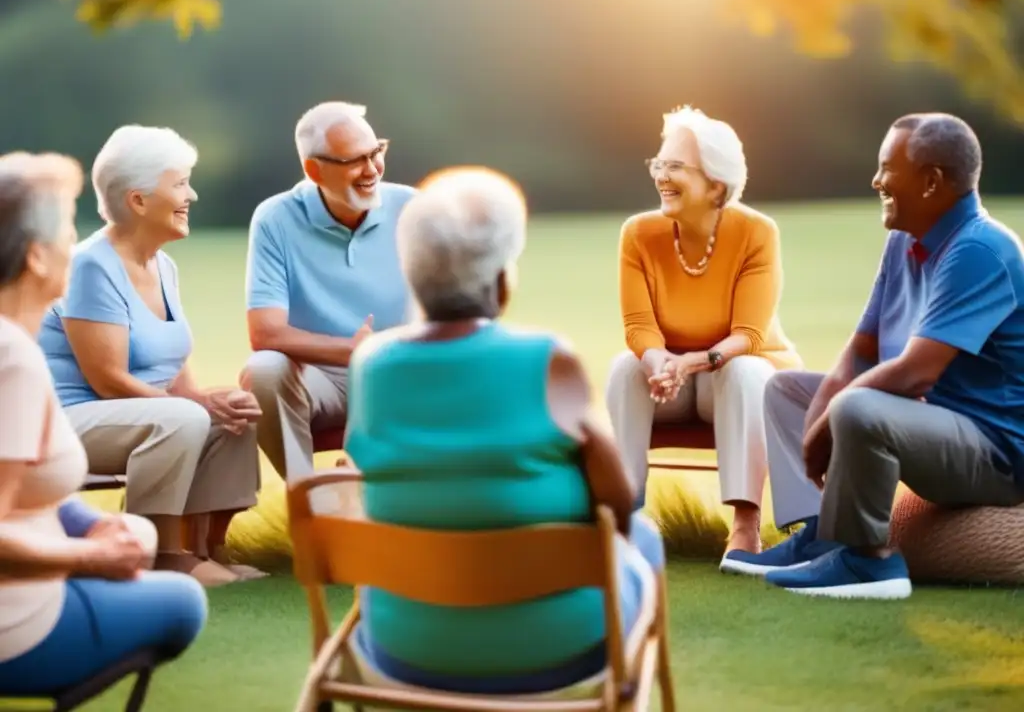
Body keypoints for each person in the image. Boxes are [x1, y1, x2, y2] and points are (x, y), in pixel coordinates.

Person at [342, 167, 665, 693]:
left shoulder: (370, 365)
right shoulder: (545, 358)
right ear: (499, 278)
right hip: (557, 649)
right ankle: (626, 692)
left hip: (405, 650)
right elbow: (618, 498)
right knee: (643, 538)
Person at [722, 113, 1024, 599]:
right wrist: (819, 414)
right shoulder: (903, 240)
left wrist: (826, 427)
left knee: (857, 406)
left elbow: (914, 374)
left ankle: (869, 562)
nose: (876, 180)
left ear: (930, 182)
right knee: (786, 390)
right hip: (937, 421)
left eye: (887, 168)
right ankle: (821, 535)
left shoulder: (981, 251)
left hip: (997, 454)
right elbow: (860, 350)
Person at [0, 151, 207, 697]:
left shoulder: (16, 348)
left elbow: (19, 484)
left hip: (30, 561)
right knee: (183, 601)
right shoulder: (12, 361)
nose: (78, 245)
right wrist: (87, 556)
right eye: (68, 231)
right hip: (17, 630)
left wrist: (88, 526)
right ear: (38, 258)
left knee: (135, 533)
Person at [37, 126, 264, 587]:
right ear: (138, 200)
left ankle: (206, 548)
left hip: (136, 412)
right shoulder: (91, 266)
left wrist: (208, 401)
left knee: (235, 414)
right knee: (184, 417)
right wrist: (192, 407)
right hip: (72, 419)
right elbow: (107, 379)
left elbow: (174, 369)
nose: (191, 195)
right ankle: (161, 554)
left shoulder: (164, 265)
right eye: (179, 183)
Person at [605, 105, 801, 557]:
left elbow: (748, 335)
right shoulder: (638, 233)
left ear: (716, 184)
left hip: (735, 381)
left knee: (744, 371)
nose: (661, 175)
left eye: (675, 166)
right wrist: (659, 363)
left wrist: (691, 362)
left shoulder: (756, 232)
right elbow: (638, 327)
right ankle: (626, 517)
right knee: (624, 369)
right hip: (668, 382)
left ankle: (745, 524)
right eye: (659, 163)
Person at [240, 101, 416, 480]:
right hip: (319, 378)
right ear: (313, 170)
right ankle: (305, 496)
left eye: (376, 152)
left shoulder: (413, 208)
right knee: (263, 371)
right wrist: (351, 351)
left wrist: (376, 356)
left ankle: (364, 484)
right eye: (355, 160)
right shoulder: (275, 218)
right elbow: (265, 333)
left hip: (397, 372)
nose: (372, 170)